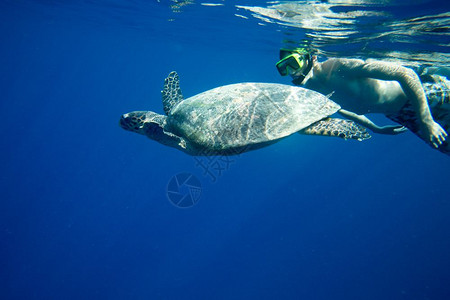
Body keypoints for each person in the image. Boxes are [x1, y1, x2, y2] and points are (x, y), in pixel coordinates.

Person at [276, 48, 450, 153]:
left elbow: (406, 73)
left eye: (293, 63)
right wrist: (375, 128)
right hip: (402, 116)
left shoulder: (339, 67)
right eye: (283, 68)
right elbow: (341, 109)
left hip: (426, 95)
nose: (292, 72)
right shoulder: (315, 90)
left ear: (311, 57)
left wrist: (426, 120)